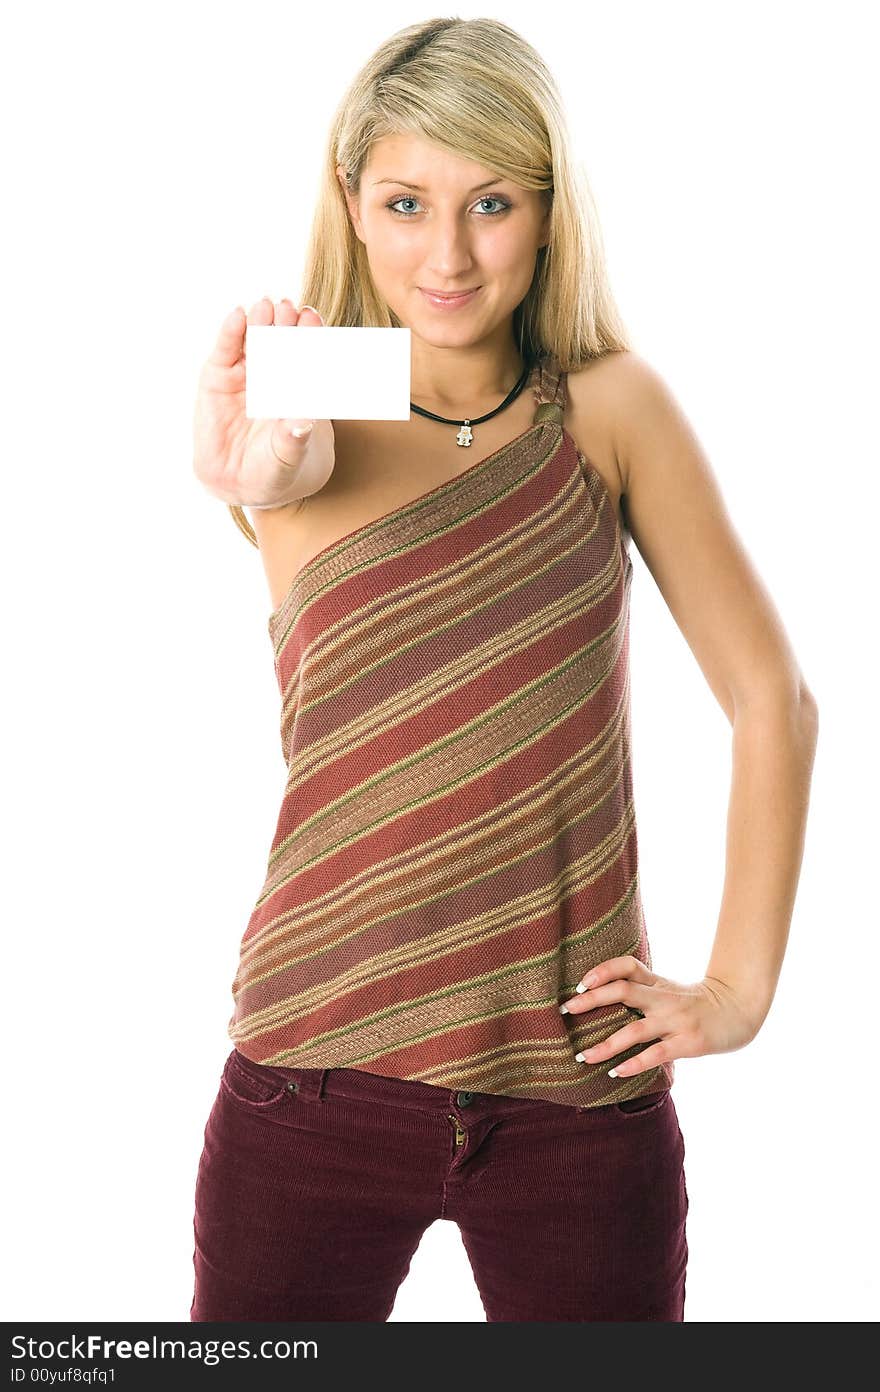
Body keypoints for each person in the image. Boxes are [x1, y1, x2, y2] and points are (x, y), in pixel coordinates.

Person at [188, 17, 819, 1323]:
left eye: (492, 203)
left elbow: (773, 700)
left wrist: (739, 989)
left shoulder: (609, 407)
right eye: (407, 203)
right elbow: (279, 478)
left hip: (574, 1097)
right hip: (311, 1076)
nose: (450, 252)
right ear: (353, 206)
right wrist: (262, 486)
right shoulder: (303, 400)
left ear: (547, 212)